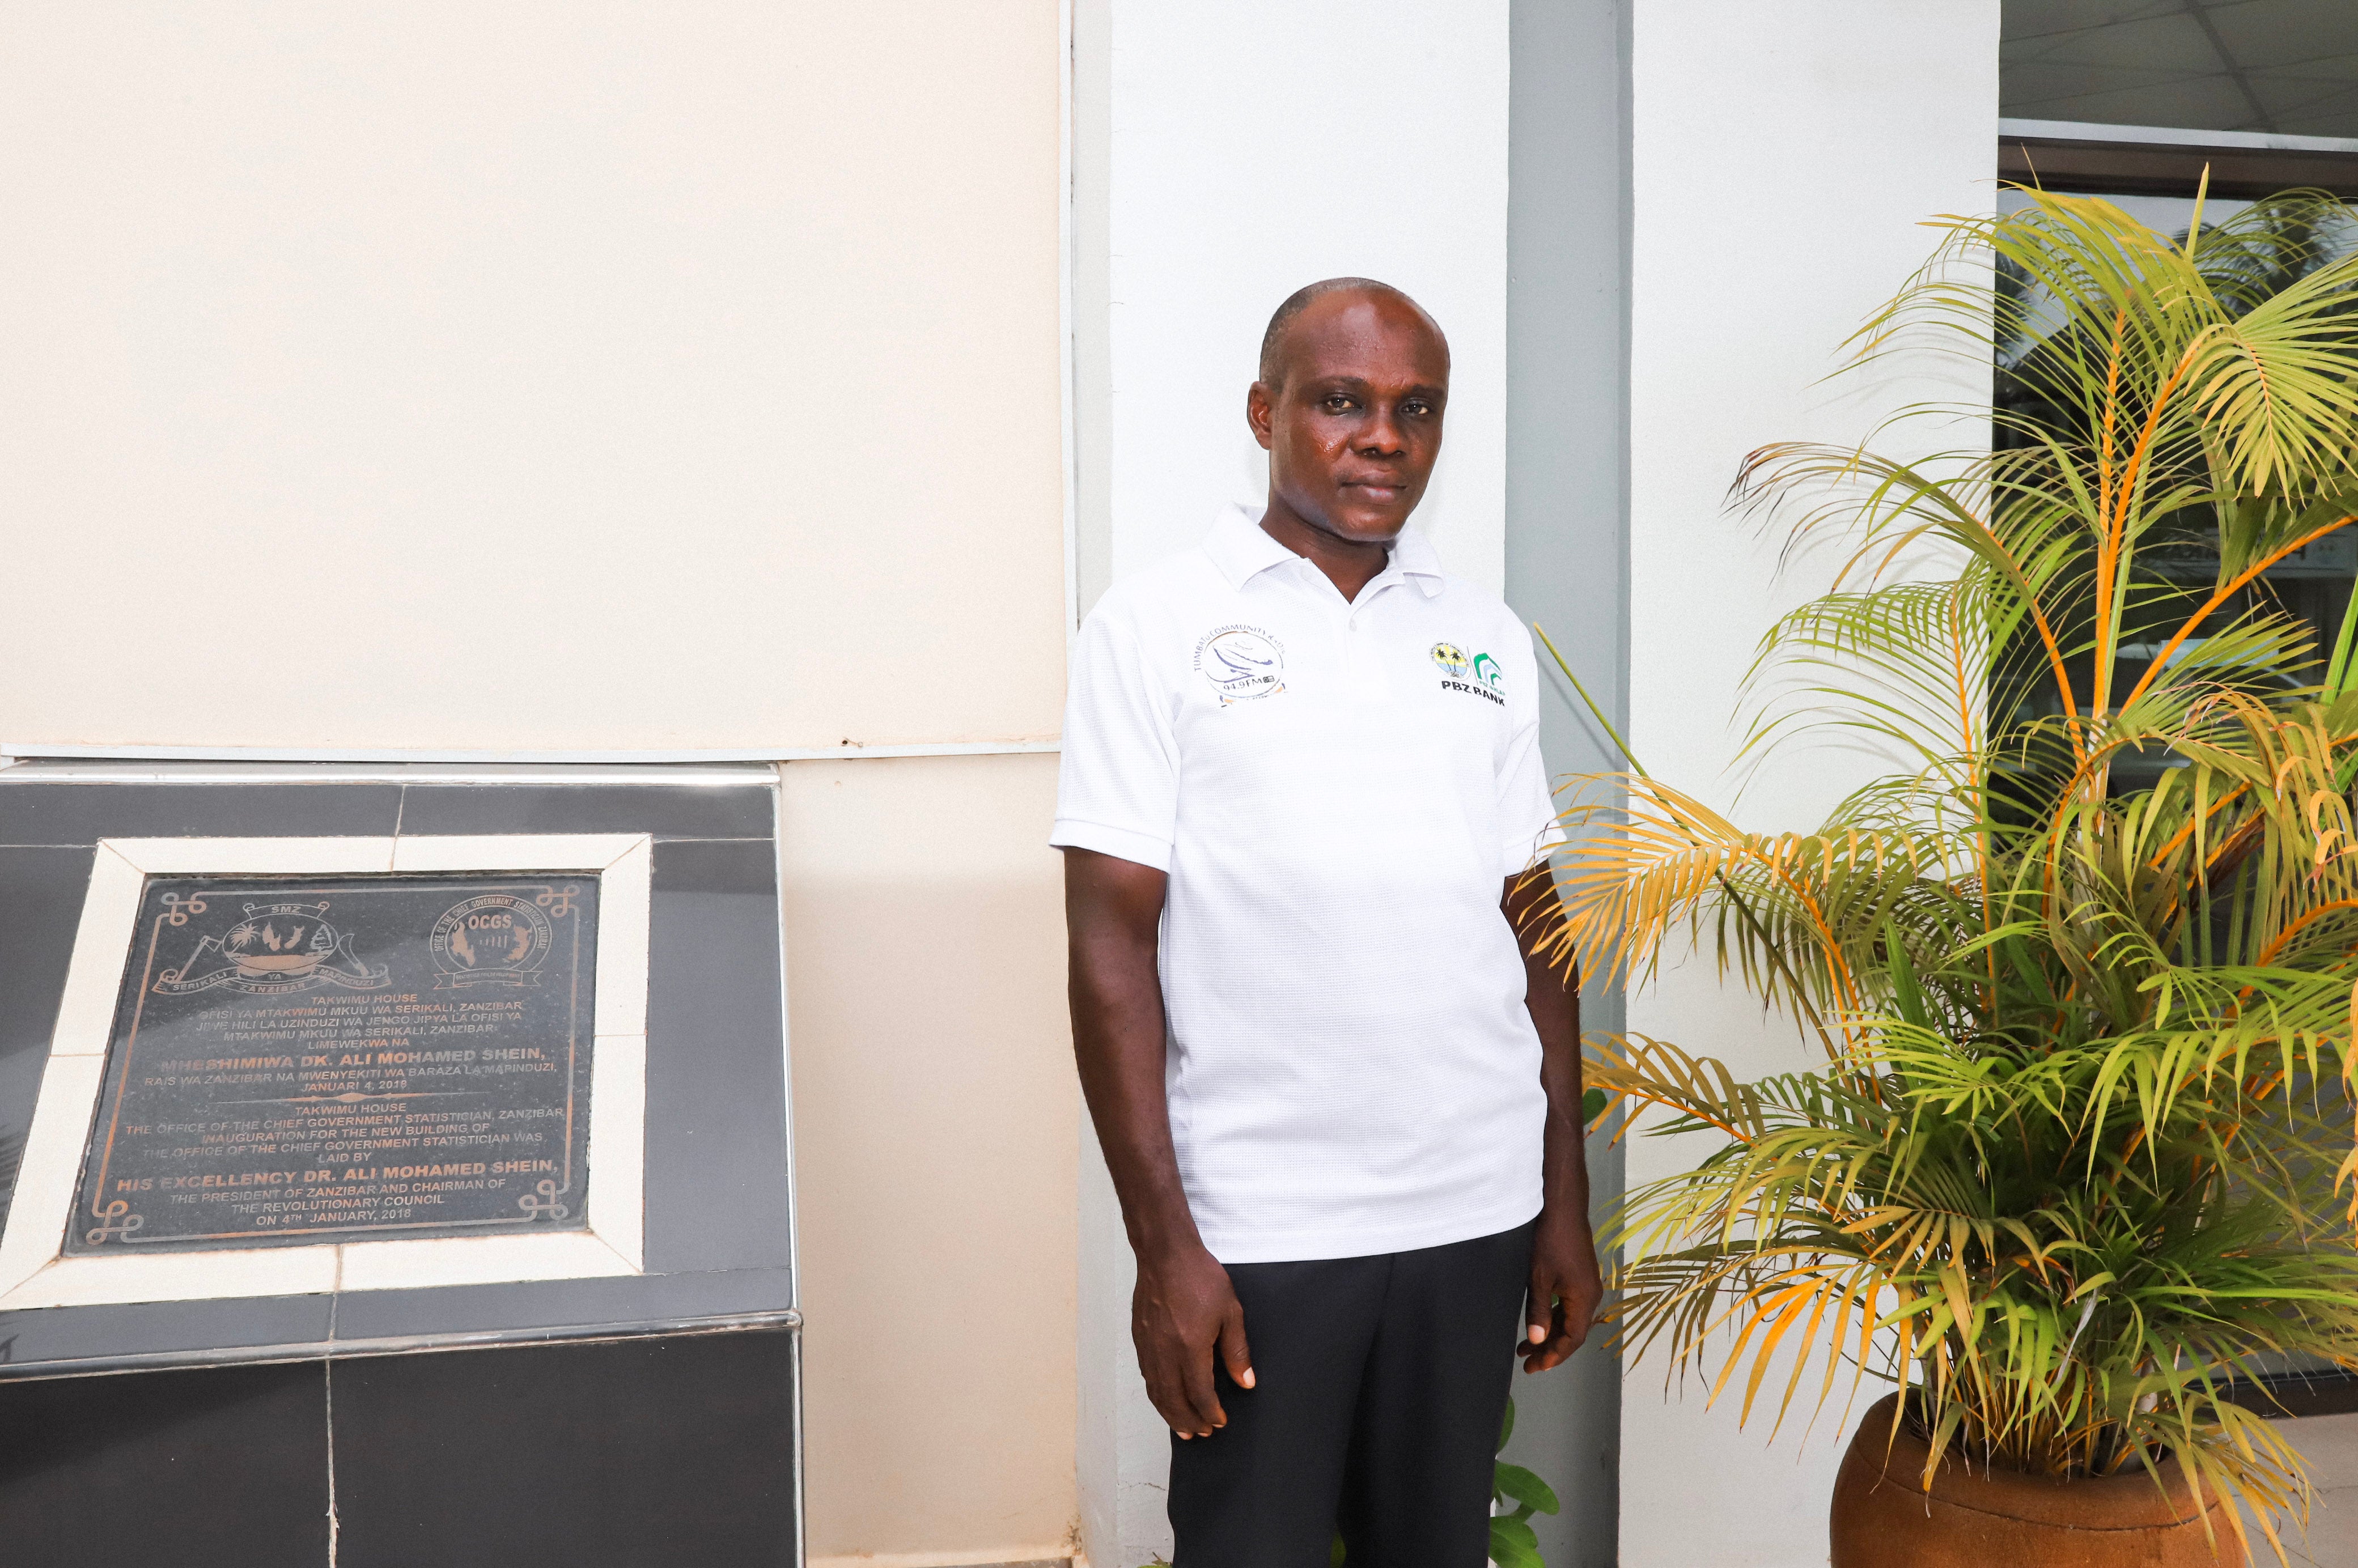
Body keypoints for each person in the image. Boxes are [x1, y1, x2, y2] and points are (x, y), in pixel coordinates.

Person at [1053, 277, 1602, 1565]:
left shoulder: (1482, 636)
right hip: (1266, 1223)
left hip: (1471, 1206)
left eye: (1416, 409)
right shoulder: (1155, 628)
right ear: (1266, 412)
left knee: (1433, 1551)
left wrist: (1558, 1199)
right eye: (1342, 402)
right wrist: (1164, 1248)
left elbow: (1536, 928)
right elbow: (1107, 948)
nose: (1383, 438)